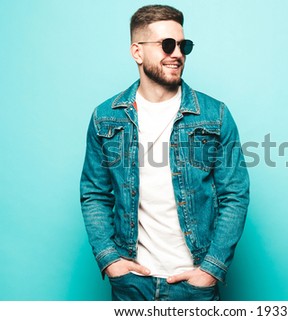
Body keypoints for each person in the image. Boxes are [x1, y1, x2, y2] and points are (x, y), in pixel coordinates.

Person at [80, 4, 249, 301]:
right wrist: (111, 261)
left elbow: (235, 194)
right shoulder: (106, 118)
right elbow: (94, 192)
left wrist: (210, 270)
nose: (177, 54)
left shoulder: (215, 115)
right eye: (167, 45)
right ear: (137, 52)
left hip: (193, 283)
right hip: (131, 284)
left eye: (183, 45)